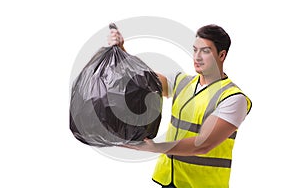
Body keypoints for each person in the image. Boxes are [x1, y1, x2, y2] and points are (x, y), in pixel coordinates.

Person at [108, 24, 252, 188]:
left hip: (202, 184)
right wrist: (122, 51)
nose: (197, 57)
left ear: (221, 55)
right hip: (169, 180)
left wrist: (154, 148)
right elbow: (143, 81)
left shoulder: (233, 98)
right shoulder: (181, 82)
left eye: (205, 51)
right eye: (195, 50)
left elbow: (204, 144)